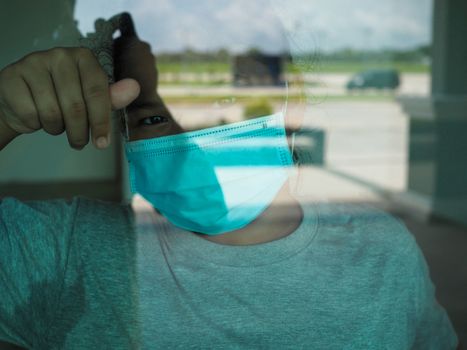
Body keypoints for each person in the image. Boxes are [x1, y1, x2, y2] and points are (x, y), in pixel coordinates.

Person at [0, 22, 460, 349]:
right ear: (124, 128)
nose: (189, 137)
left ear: (292, 100)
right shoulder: (66, 252)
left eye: (222, 96)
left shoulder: (385, 255)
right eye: (155, 117)